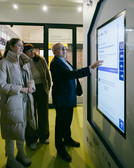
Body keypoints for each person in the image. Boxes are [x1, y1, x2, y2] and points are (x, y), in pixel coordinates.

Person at [50, 42, 103, 162]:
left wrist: (78, 90)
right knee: (60, 124)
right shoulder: (55, 63)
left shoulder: (63, 60)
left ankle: (67, 139)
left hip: (68, 96)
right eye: (60, 49)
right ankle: (60, 148)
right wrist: (90, 68)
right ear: (54, 52)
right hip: (62, 98)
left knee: (68, 121)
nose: (64, 50)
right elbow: (70, 75)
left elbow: (72, 74)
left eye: (64, 48)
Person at [0, 38, 36, 168]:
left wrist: (31, 86)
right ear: (11, 47)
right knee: (11, 132)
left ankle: (20, 153)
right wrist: (20, 89)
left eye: (22, 46)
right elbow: (1, 85)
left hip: (25, 101)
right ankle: (10, 159)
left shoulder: (24, 62)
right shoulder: (4, 63)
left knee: (22, 129)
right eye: (19, 46)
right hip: (11, 104)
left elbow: (30, 78)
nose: (22, 48)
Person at [23, 44, 51, 150]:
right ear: (24, 52)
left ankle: (44, 136)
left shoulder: (41, 59)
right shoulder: (22, 62)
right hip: (29, 90)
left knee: (43, 112)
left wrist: (48, 87)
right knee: (31, 114)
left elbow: (47, 74)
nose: (32, 52)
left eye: (33, 50)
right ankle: (32, 139)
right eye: (29, 50)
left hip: (41, 88)